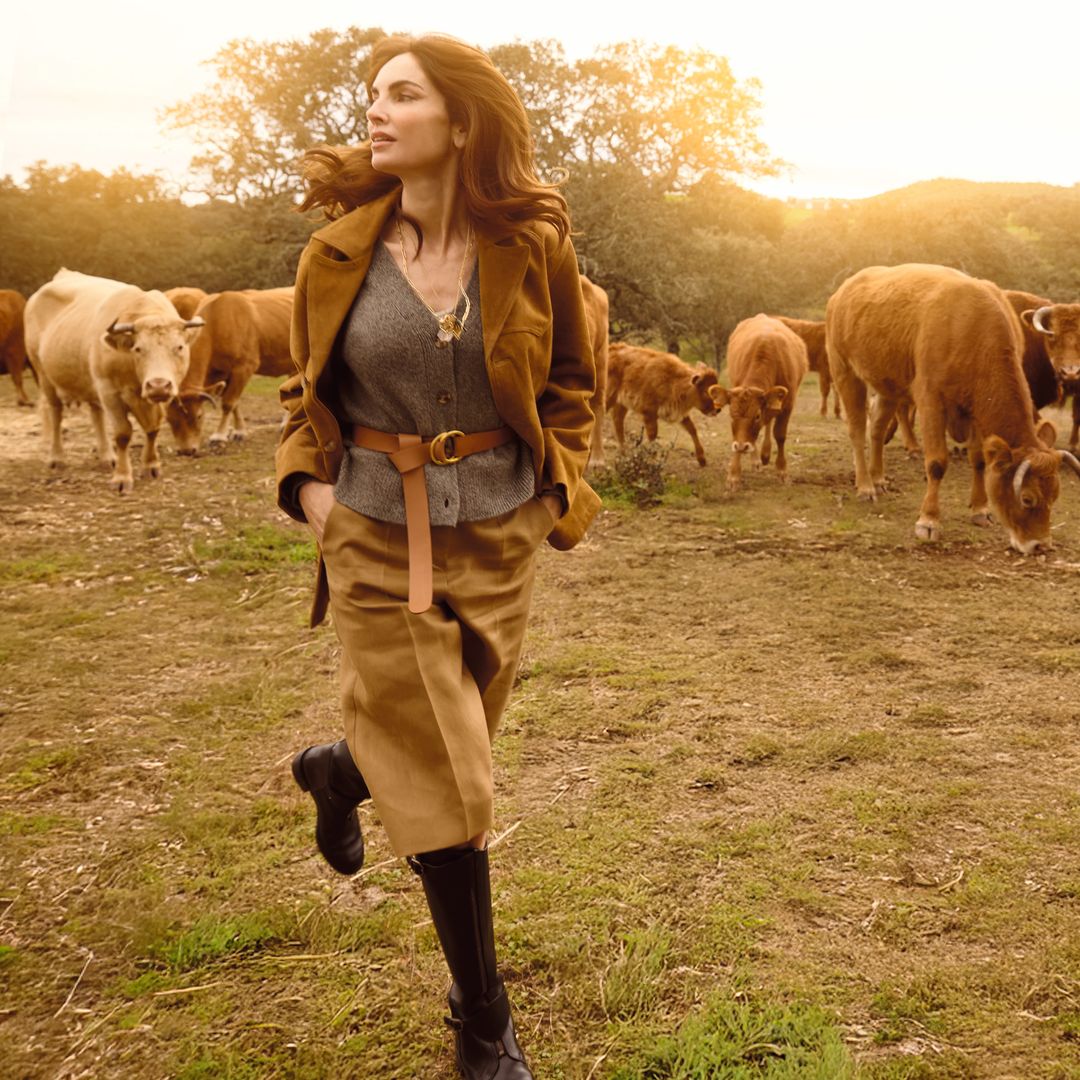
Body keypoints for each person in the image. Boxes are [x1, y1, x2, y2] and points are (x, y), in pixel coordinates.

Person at [275, 33, 599, 1079]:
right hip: (371, 529)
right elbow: (301, 395)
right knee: (457, 783)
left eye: (403, 95)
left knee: (447, 743)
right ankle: (483, 1019)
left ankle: (341, 768)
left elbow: (573, 382)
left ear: (460, 122)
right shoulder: (333, 256)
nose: (376, 111)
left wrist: (554, 489)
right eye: (372, 96)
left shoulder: (534, 245)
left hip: (501, 532)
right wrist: (317, 497)